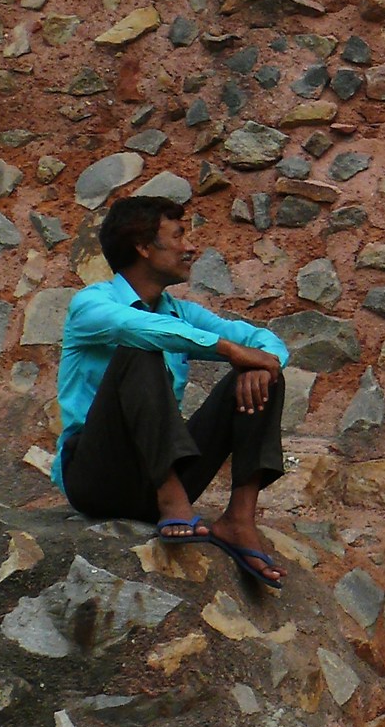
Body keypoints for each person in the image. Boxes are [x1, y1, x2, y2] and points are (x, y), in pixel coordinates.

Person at [56, 196, 293, 590]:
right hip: (97, 475)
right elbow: (139, 329)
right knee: (140, 347)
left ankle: (238, 519)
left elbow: (262, 340)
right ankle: (170, 498)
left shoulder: (179, 312)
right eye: (179, 235)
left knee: (265, 372)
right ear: (144, 247)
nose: (191, 247)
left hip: (160, 468)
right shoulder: (90, 304)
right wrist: (230, 350)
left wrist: (264, 363)